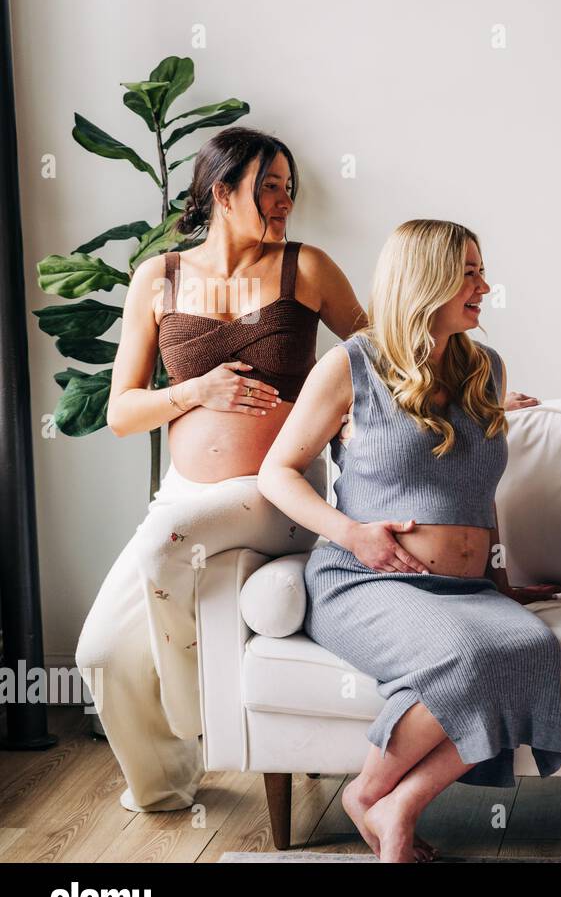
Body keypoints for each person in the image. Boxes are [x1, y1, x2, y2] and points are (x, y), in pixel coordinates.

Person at [258, 219, 561, 862]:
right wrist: (353, 534)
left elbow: (478, 491)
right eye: (468, 274)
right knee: (467, 659)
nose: (485, 287)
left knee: (532, 648)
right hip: (364, 578)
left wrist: (500, 582)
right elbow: (277, 472)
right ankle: (372, 796)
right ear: (426, 279)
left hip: (464, 589)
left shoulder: (486, 369)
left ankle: (389, 802)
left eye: (482, 272)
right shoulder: (350, 365)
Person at [76, 126, 368, 812]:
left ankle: (198, 716)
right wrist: (195, 392)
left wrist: (470, 391)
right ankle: (164, 786)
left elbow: (384, 354)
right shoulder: (160, 277)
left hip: (275, 496)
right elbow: (122, 412)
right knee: (100, 653)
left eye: (289, 189)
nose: (285, 201)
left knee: (165, 543)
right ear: (222, 192)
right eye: (269, 187)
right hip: (185, 498)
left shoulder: (307, 268)